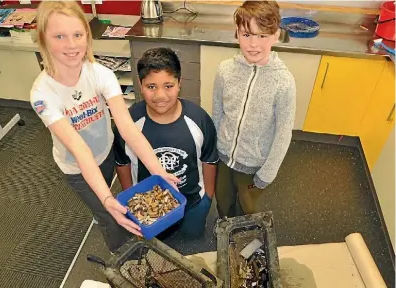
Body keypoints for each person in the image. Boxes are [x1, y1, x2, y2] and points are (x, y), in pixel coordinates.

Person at [30, 1, 178, 252]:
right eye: (59, 36)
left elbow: (128, 128)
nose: (71, 44)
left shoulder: (100, 74)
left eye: (78, 34)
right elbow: (79, 149)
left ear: (87, 36)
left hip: (106, 150)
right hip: (76, 167)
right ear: (43, 38)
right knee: (108, 214)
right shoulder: (42, 94)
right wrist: (107, 200)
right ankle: (124, 255)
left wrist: (157, 170)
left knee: (110, 195)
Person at [114, 47, 218, 238]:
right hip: (150, 208)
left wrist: (207, 198)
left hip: (192, 202)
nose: (160, 96)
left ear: (180, 83)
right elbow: (122, 163)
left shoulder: (199, 119)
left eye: (168, 86)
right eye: (151, 87)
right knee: (157, 243)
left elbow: (209, 160)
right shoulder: (128, 124)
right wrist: (130, 201)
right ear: (140, 84)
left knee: (193, 237)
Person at [212, 1, 296, 217]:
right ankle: (225, 229)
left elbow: (283, 132)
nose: (253, 44)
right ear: (237, 34)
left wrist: (268, 172)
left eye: (262, 36)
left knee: (247, 208)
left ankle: (246, 238)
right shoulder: (225, 71)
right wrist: (213, 148)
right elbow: (217, 112)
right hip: (223, 155)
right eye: (247, 35)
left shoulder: (283, 82)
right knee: (223, 200)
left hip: (254, 164)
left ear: (276, 35)